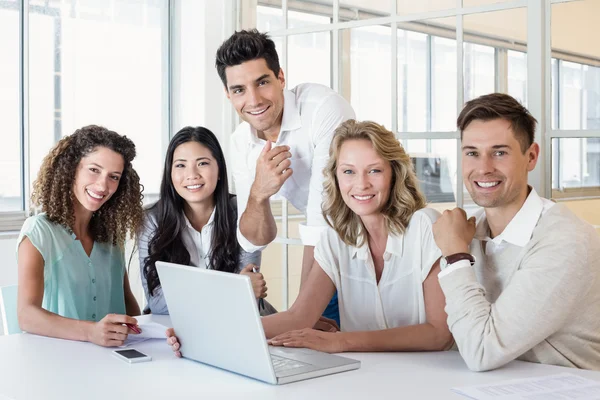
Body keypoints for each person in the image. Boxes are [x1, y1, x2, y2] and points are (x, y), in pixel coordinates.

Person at [167, 120, 452, 357]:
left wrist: (342, 341)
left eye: (374, 170)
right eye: (349, 171)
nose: (361, 184)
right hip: (367, 379)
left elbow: (438, 334)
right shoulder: (335, 238)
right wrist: (201, 332)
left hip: (432, 379)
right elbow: (298, 317)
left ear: (394, 173)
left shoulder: (426, 227)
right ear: (336, 177)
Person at [432, 93, 600, 371]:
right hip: (490, 387)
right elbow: (452, 329)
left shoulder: (565, 241)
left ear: (531, 156)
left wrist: (455, 257)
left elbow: (481, 351)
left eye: (499, 152)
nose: (484, 168)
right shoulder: (468, 230)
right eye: (472, 153)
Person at [216, 29, 356, 326]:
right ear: (228, 95)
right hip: (332, 249)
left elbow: (323, 219)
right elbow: (254, 239)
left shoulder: (323, 109)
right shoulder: (241, 141)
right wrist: (258, 194)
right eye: (239, 90)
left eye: (262, 82)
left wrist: (299, 316)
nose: (253, 100)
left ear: (281, 77)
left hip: (373, 241)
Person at [16, 125, 143, 347]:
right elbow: (26, 315)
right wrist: (91, 332)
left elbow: (128, 304)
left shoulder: (112, 237)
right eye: (94, 170)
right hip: (59, 359)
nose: (103, 185)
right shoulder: (39, 231)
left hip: (113, 359)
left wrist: (151, 331)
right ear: (72, 168)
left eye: (113, 176)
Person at [139, 126, 276, 316]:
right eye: (180, 165)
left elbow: (249, 294)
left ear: (219, 170)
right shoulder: (152, 219)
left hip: (240, 321)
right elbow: (159, 304)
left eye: (202, 163)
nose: (192, 174)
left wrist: (188, 295)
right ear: (170, 174)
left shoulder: (243, 210)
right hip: (176, 328)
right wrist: (233, 289)